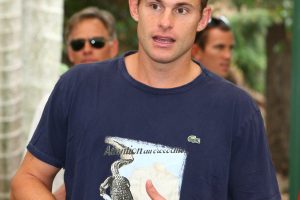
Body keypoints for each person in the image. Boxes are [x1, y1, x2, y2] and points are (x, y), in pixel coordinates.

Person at [11, 0, 280, 200]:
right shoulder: (78, 85)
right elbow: (28, 178)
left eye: (182, 9)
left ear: (203, 18)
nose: (165, 21)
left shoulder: (236, 110)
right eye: (154, 5)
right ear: (134, 7)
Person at [22, 6, 119, 200]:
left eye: (96, 42)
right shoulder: (52, 99)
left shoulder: (130, 98)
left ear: (113, 47)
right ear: (70, 52)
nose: (87, 49)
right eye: (78, 44)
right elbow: (28, 177)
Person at [192, 16, 266, 112]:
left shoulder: (239, 101)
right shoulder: (178, 93)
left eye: (230, 48)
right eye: (219, 47)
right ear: (196, 51)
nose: (228, 56)